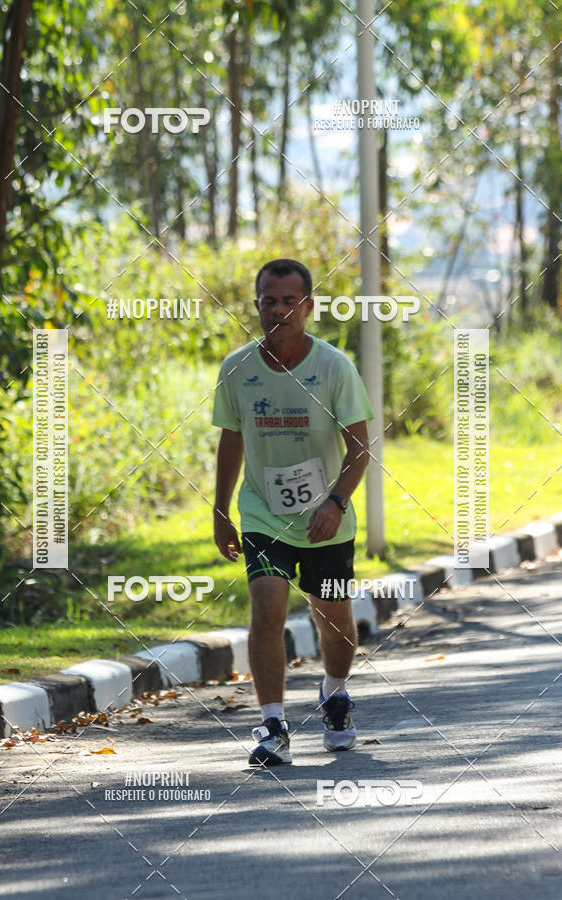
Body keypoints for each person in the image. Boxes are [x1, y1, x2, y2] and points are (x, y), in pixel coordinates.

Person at [212, 258, 373, 766]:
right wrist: (220, 509)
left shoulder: (334, 367)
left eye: (289, 301)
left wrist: (336, 502)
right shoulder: (237, 368)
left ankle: (334, 692)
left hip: (326, 518)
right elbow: (231, 441)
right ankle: (273, 725)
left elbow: (359, 448)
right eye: (269, 301)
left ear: (308, 307)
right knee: (266, 609)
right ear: (256, 305)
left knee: (334, 621)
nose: (278, 310)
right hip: (263, 513)